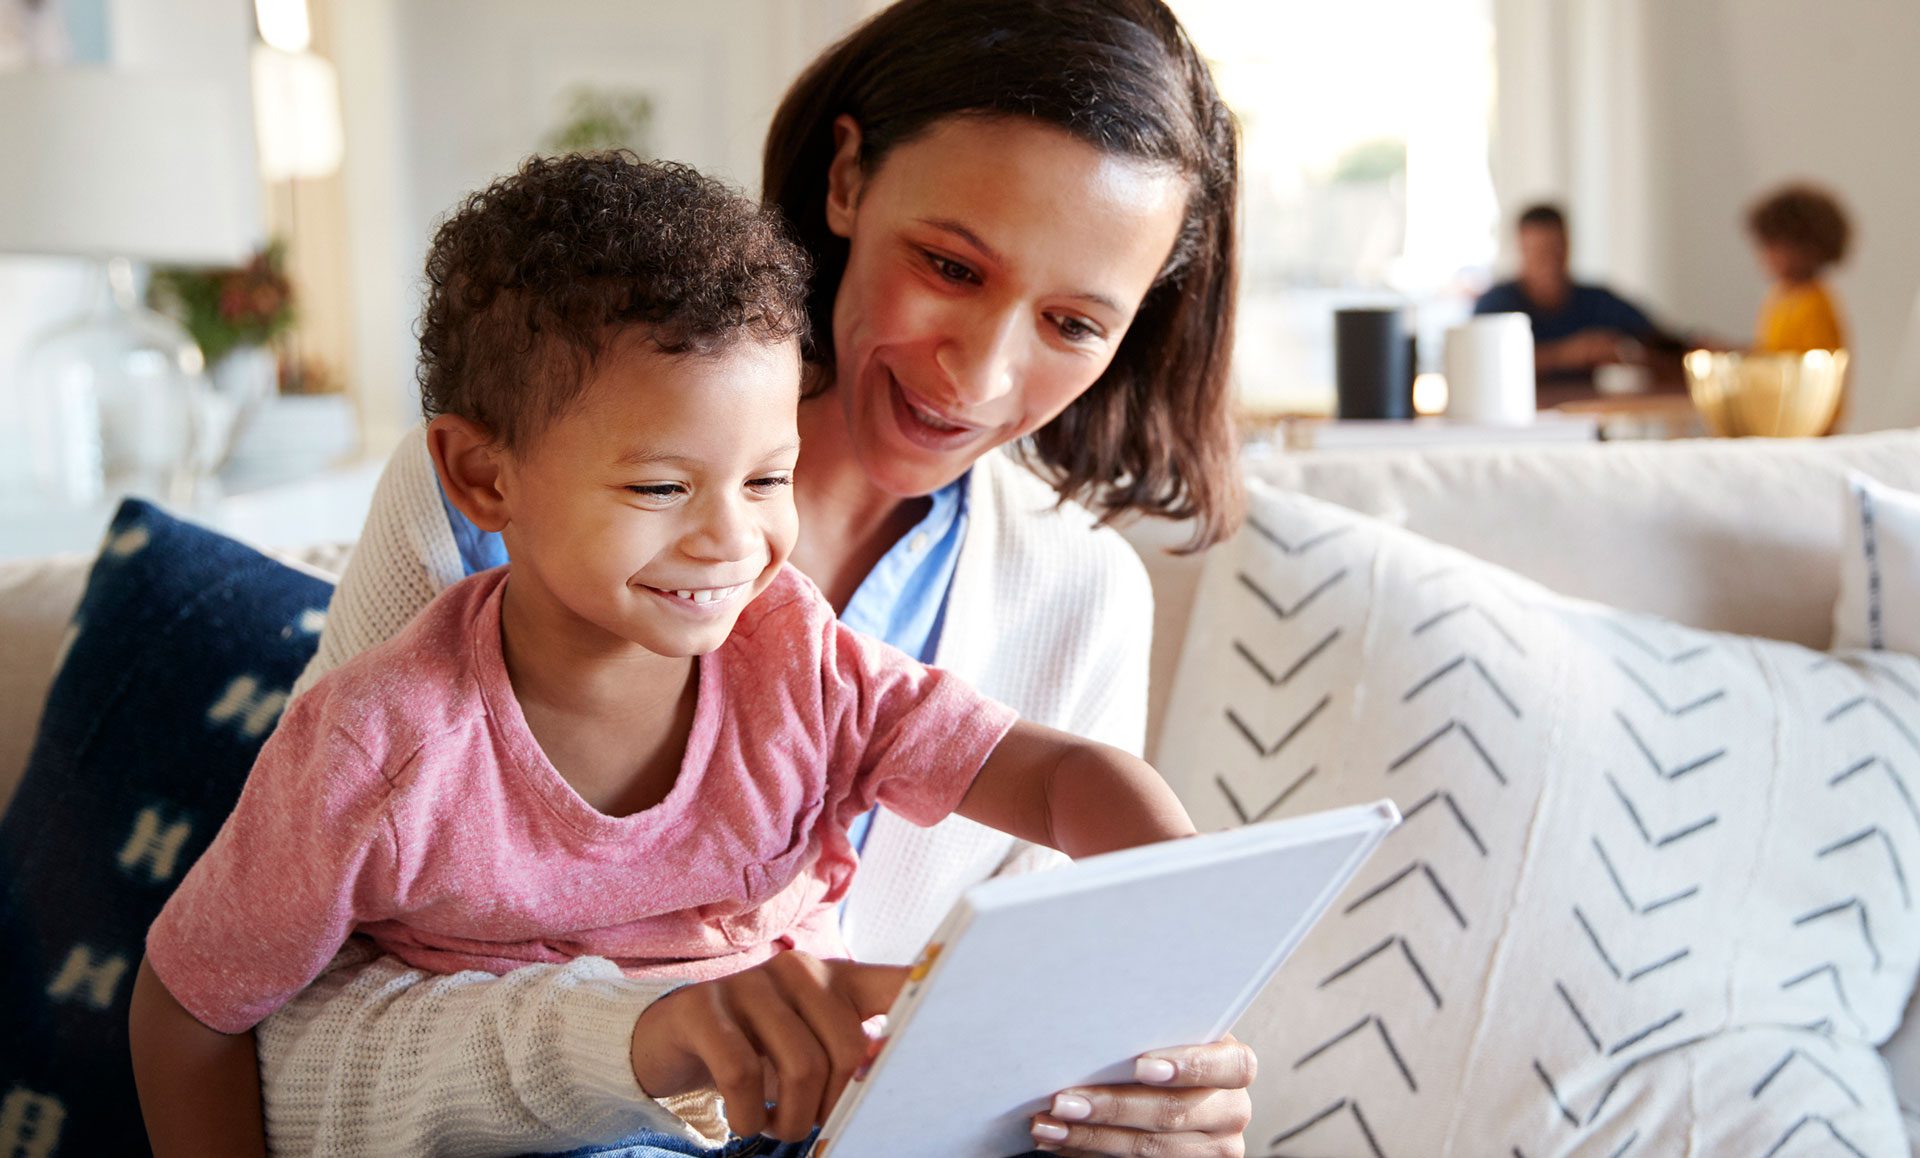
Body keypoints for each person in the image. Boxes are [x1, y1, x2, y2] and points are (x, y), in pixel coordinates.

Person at [228, 2, 1253, 1155]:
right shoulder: (498, 498)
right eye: (949, 265)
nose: (981, 371)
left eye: (1073, 321)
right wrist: (648, 1035)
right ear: (850, 179)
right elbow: (285, 1048)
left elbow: (1009, 1054)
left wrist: (1134, 1089)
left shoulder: (1080, 604)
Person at [1474, 203, 1685, 398]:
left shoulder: (1598, 301)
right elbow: (1482, 366)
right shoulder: (1496, 306)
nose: (1549, 262)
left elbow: (1663, 341)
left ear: (1567, 245)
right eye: (1539, 252)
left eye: (1555, 250)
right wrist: (1567, 354)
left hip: (1591, 419)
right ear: (1521, 249)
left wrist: (1629, 353)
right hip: (1518, 427)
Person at [1747, 183, 1851, 354]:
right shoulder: (1778, 297)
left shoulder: (1814, 305)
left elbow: (1820, 368)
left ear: (1809, 247)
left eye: (1776, 246)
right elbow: (1768, 353)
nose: (1767, 255)